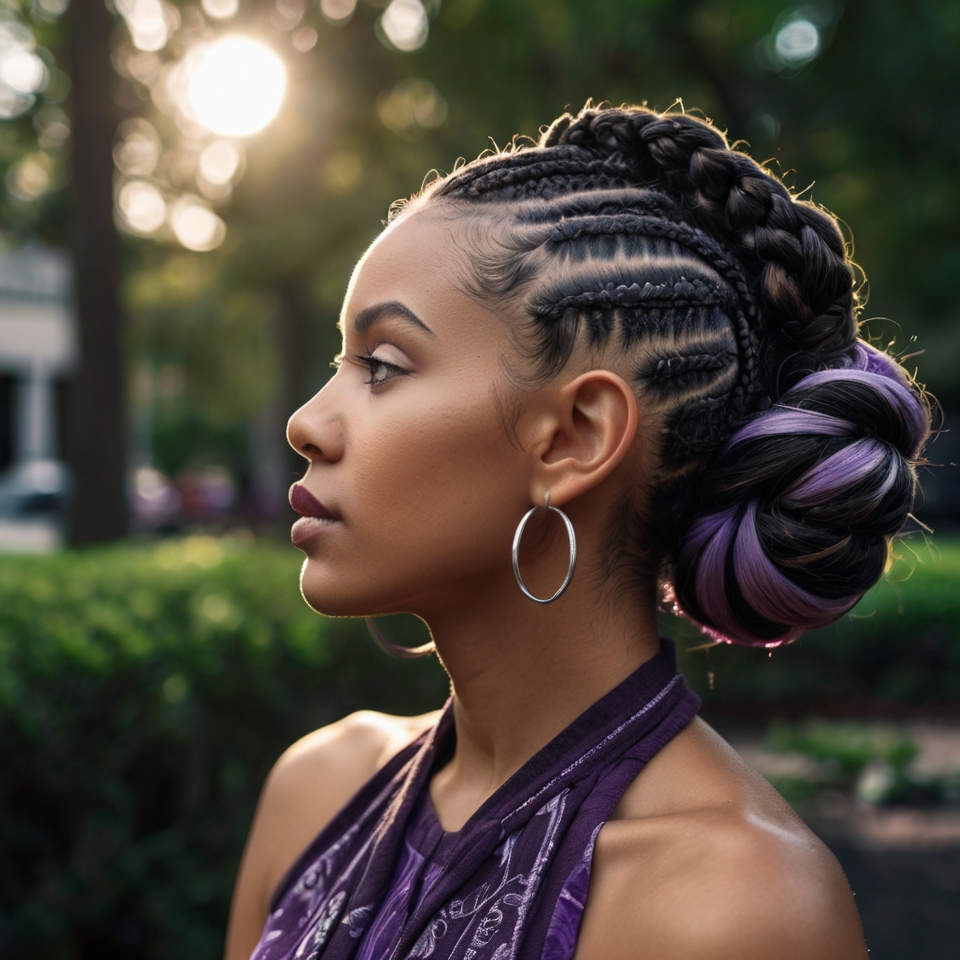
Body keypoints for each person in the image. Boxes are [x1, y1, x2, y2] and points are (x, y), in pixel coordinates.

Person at [224, 104, 929, 960]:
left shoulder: (737, 908)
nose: (307, 423)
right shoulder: (318, 791)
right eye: (341, 361)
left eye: (382, 366)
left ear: (574, 439)